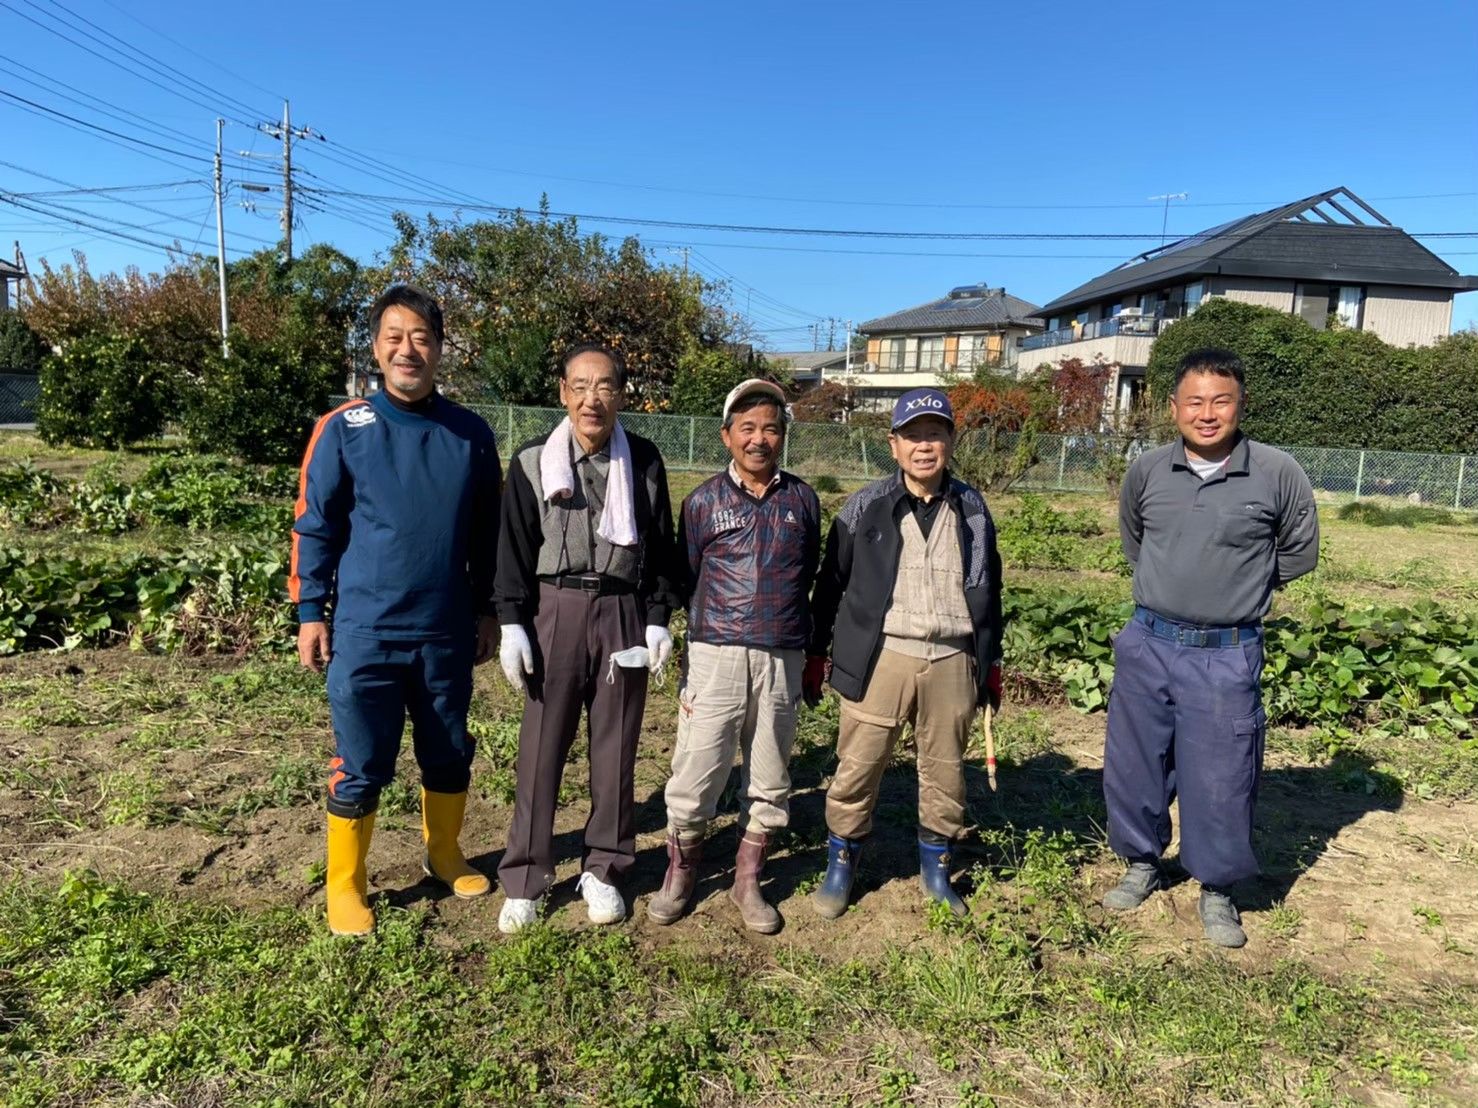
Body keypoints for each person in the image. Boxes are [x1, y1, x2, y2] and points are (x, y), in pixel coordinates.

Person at [291, 284, 501, 937]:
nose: (408, 349)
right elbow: (314, 524)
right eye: (394, 337)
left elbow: (487, 536)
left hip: (444, 629)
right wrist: (309, 611)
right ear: (377, 350)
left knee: (448, 748)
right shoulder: (344, 429)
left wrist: (489, 610)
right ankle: (345, 886)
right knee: (362, 759)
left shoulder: (469, 434)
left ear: (440, 349)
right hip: (365, 632)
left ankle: (443, 852)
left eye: (421, 337)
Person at [1102, 347, 1318, 948]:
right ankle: (1142, 862)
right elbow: (1135, 539)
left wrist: (1236, 586)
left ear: (1240, 404)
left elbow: (1299, 552)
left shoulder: (1277, 473)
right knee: (1135, 763)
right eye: (1194, 401)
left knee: (1222, 774)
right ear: (1173, 408)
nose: (1207, 413)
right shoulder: (1146, 471)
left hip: (1226, 651)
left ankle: (1217, 887)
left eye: (1220, 401)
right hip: (1149, 641)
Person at [494, 342, 679, 933]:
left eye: (604, 387)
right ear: (563, 393)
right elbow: (514, 550)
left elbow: (661, 550)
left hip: (621, 609)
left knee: (615, 748)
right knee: (541, 749)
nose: (591, 398)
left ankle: (605, 868)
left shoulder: (645, 462)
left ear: (621, 395)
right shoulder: (530, 461)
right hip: (555, 610)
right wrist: (511, 623)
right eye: (580, 385)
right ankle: (526, 876)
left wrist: (656, 618)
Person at [807, 387, 1004, 919]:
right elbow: (831, 584)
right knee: (859, 764)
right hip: (882, 654)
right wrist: (816, 650)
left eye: (934, 435)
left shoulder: (972, 508)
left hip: (951, 657)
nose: (924, 446)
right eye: (913, 436)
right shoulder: (864, 506)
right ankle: (841, 862)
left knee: (945, 770)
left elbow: (990, 586)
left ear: (950, 442)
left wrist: (990, 662)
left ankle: (936, 867)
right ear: (893, 445)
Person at [646, 379, 821, 933]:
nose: (759, 438)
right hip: (715, 652)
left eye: (770, 427)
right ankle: (682, 868)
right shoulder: (701, 502)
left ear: (783, 435)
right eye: (746, 428)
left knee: (769, 772)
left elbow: (808, 572)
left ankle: (748, 879)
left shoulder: (802, 500)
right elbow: (689, 572)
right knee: (697, 769)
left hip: (780, 655)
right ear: (726, 436)